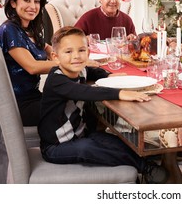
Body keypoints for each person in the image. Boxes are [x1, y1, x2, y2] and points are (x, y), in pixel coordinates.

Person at [38, 26, 168, 183]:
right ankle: (144, 167)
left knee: (112, 140)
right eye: (68, 52)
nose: (76, 56)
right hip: (56, 147)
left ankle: (150, 157)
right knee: (88, 148)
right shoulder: (56, 80)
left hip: (80, 135)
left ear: (88, 52)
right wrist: (120, 93)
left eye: (81, 50)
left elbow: (92, 71)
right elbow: (84, 92)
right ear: (55, 57)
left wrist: (108, 75)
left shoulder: (79, 70)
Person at [0, 0, 58, 126]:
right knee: (74, 106)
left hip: (34, 98)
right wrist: (66, 64)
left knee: (76, 100)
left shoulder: (30, 30)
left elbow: (49, 49)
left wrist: (70, 55)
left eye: (37, 1)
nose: (33, 6)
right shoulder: (9, 30)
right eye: (27, 0)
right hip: (18, 106)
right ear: (13, 3)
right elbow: (33, 67)